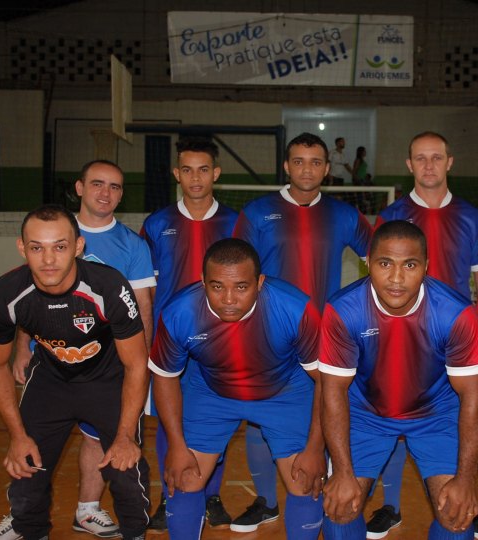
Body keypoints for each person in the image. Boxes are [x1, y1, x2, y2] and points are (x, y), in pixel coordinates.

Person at [0, 160, 157, 540]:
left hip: (107, 380)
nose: (49, 259)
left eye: (60, 247)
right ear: (22, 248)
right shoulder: (6, 294)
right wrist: (17, 435)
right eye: (37, 248)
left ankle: (133, 533)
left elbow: (135, 363)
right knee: (26, 469)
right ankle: (29, 530)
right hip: (51, 381)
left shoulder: (109, 286)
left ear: (78, 247)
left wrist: (127, 434)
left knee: (127, 472)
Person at [229, 131, 372, 533]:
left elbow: (376, 260)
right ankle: (267, 500)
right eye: (298, 161)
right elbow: (240, 271)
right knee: (261, 418)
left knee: (328, 411)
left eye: (314, 162)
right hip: (268, 334)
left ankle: (322, 487)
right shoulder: (258, 211)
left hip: (325, 336)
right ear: (286, 166)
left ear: (326, 169)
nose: (306, 169)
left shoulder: (344, 214)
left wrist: (353, 310)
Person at [320, 220, 478, 540]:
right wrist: (342, 472)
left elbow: (473, 399)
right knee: (340, 513)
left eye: (409, 265)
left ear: (426, 266)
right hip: (366, 415)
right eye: (385, 264)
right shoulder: (343, 311)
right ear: (367, 262)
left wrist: (467, 479)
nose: (396, 278)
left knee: (457, 518)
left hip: (436, 417)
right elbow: (332, 393)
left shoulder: (455, 313)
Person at [149, 238, 326, 539]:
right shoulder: (180, 312)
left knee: (304, 480)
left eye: (241, 287)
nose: (228, 298)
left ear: (259, 282)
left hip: (284, 391)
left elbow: (326, 381)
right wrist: (177, 446)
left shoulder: (295, 309)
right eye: (217, 286)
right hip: (211, 391)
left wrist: (315, 448)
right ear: (203, 281)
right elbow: (165, 377)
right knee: (184, 476)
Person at [369, 131, 478, 539]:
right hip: (398, 335)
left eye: (436, 157)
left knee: (455, 418)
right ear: (409, 165)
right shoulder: (391, 217)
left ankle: (461, 491)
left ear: (450, 162)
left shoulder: (472, 217)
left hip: (453, 341)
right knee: (392, 415)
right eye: (420, 158)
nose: (429, 166)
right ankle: (391, 507)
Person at [141, 137, 239, 531]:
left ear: (215, 173)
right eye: (187, 170)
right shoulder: (157, 223)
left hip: (223, 339)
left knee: (218, 417)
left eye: (203, 169)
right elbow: (144, 286)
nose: (195, 178)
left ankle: (210, 494)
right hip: (171, 341)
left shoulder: (236, 223)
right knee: (170, 420)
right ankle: (172, 497)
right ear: (176, 173)